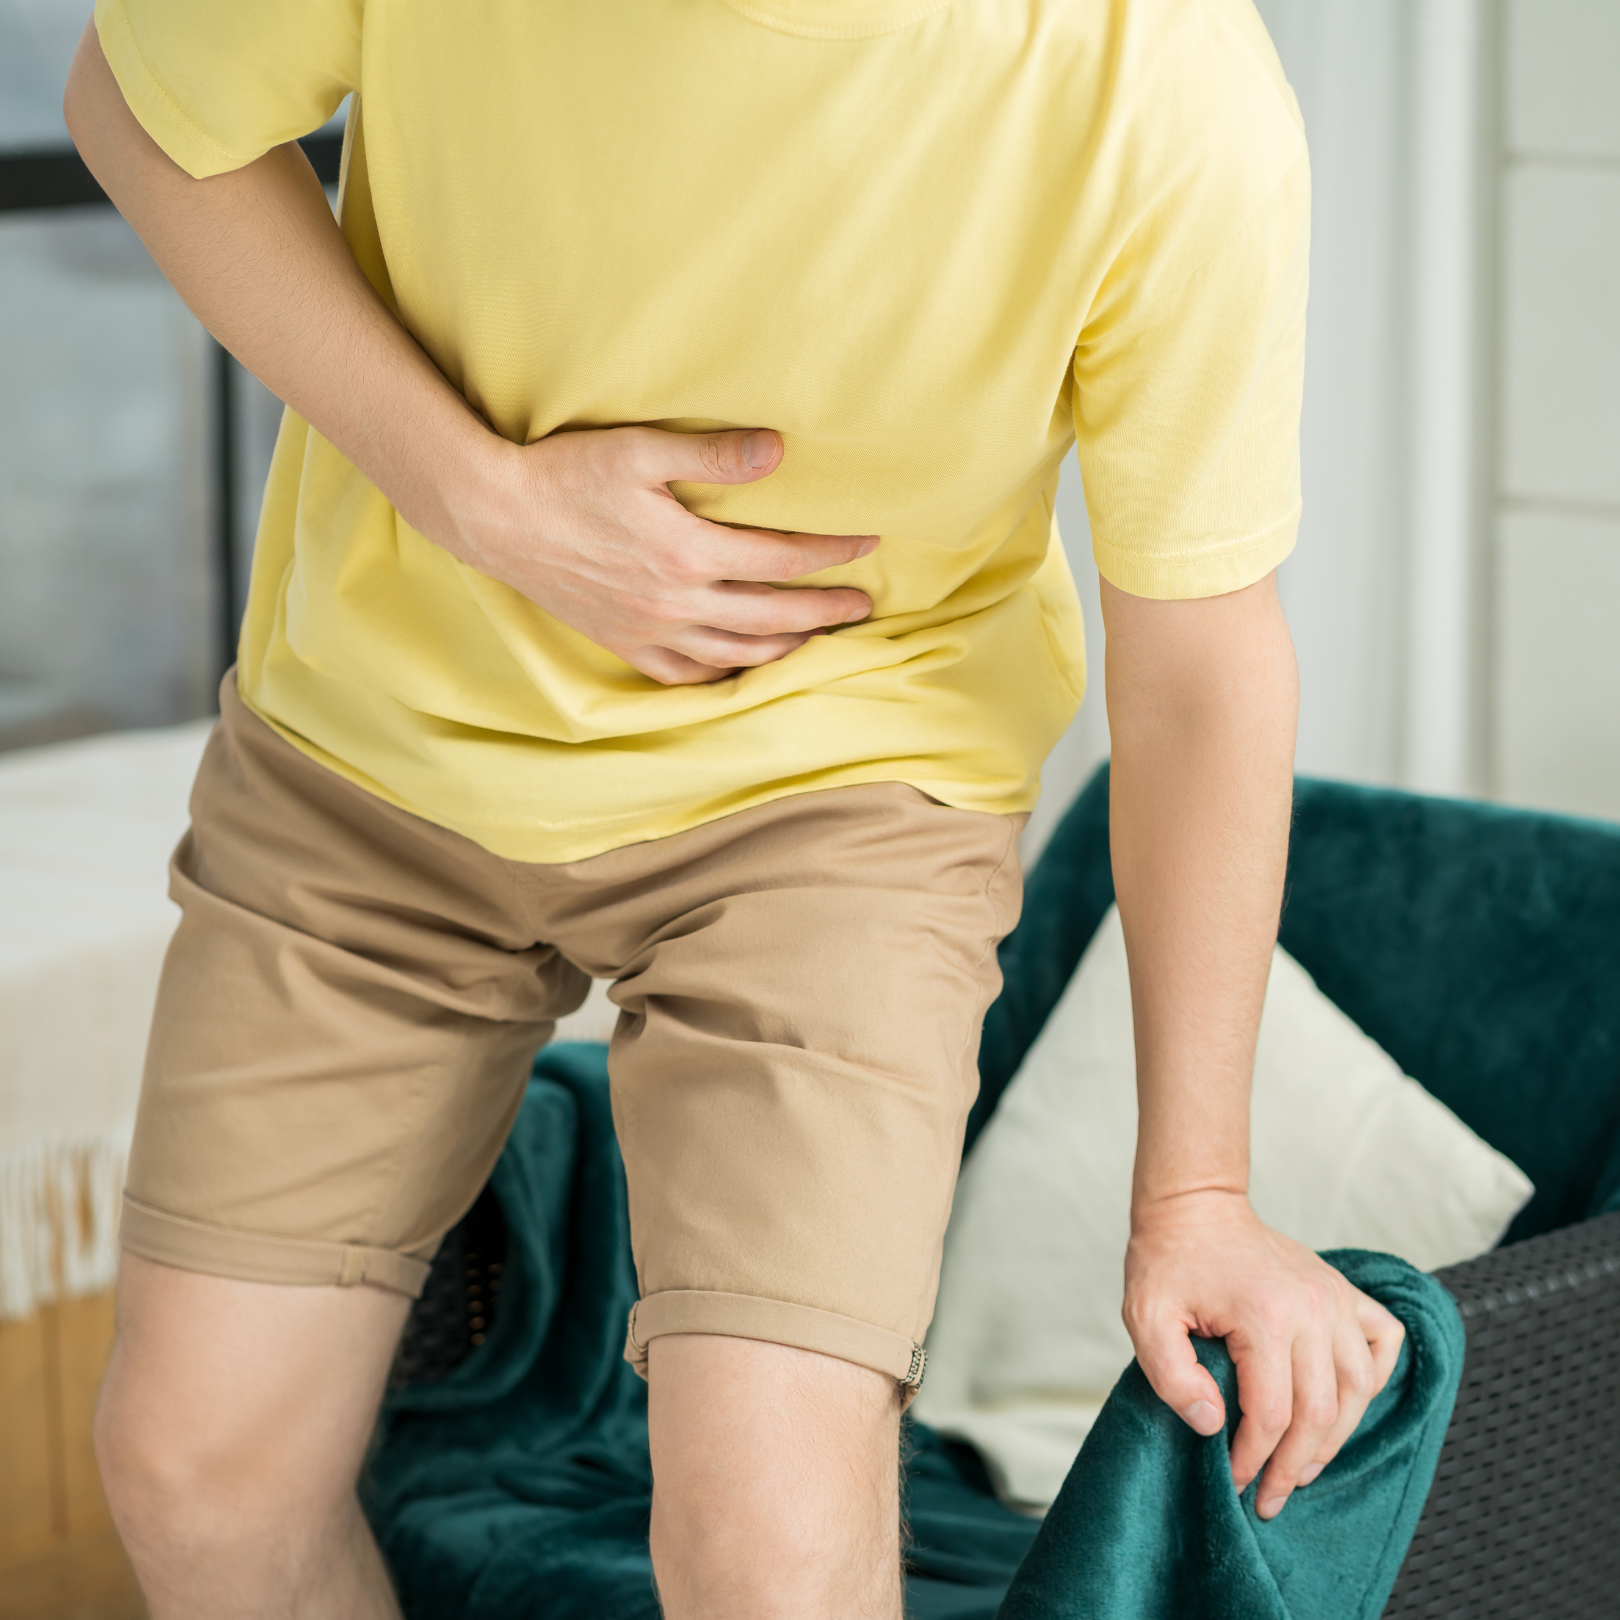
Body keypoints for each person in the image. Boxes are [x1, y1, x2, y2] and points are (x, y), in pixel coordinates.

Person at [63, 0, 1405, 1613]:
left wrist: (1195, 1194)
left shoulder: (1170, 93)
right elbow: (139, 106)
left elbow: (1199, 664)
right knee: (196, 1474)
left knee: (770, 1553)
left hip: (839, 797)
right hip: (377, 743)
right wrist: (481, 497)